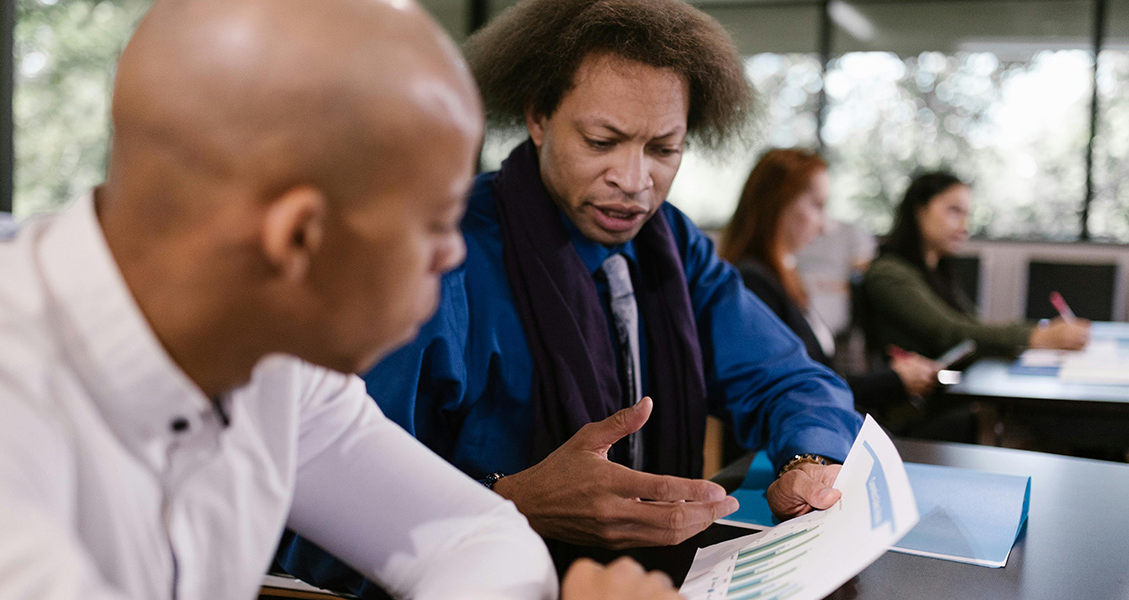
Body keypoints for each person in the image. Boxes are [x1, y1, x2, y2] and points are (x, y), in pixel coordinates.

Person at [0, 0, 680, 598]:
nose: (455, 252)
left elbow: (481, 539)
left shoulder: (272, 356)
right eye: (433, 222)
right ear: (299, 240)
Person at [281, 0, 863, 588]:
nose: (634, 182)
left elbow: (789, 377)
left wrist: (809, 460)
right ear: (538, 118)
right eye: (601, 140)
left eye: (663, 149)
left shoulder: (672, 245)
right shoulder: (441, 259)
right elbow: (323, 510)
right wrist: (508, 502)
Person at [720, 149, 941, 415]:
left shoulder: (782, 276)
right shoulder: (752, 282)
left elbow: (820, 378)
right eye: (817, 206)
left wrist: (892, 375)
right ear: (778, 204)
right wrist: (892, 380)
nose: (824, 226)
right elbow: (798, 391)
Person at [862, 171, 1091, 359]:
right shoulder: (889, 273)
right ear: (919, 211)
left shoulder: (937, 271)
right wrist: (1037, 335)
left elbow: (971, 324)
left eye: (967, 214)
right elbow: (951, 331)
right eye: (954, 211)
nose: (965, 227)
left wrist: (1043, 331)